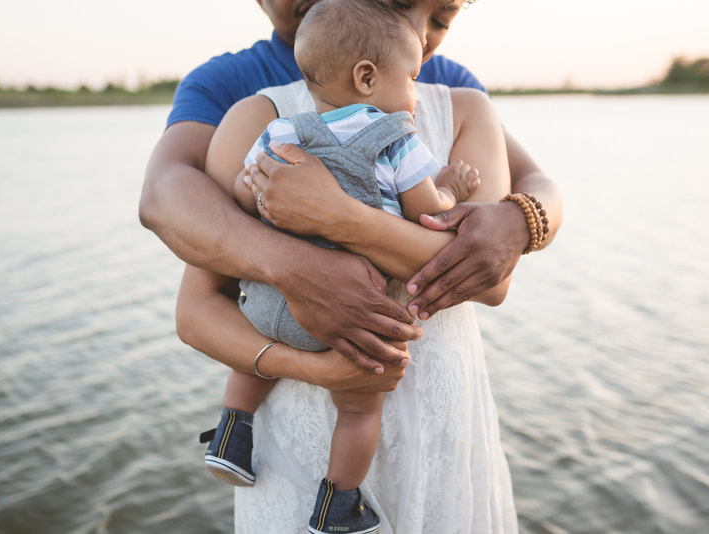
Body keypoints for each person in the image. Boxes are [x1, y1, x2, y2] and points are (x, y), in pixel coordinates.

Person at [140, 0, 563, 531]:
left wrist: (338, 217)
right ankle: (334, 501)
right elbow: (186, 247)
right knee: (351, 406)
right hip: (311, 417)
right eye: (404, 7)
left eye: (443, 18)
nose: (419, 33)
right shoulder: (255, 110)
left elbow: (489, 275)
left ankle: (236, 432)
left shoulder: (454, 101)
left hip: (443, 427)